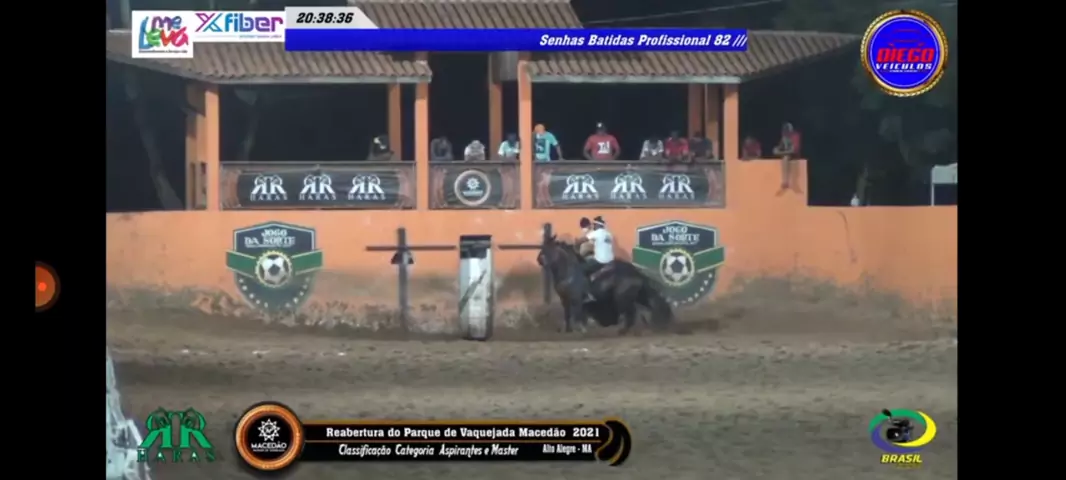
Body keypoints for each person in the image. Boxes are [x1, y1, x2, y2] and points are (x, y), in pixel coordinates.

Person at [575, 216, 615, 302]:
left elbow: (581, 240)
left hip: (600, 261)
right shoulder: (609, 234)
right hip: (611, 260)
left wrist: (576, 244)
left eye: (594, 225)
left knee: (580, 269)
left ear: (597, 225)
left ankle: (588, 294)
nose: (593, 226)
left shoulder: (596, 233)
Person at [772, 122, 802, 189]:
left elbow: (793, 150)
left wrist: (781, 152)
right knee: (782, 155)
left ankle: (786, 181)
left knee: (785, 158)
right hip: (787, 154)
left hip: (794, 155)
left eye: (786, 131)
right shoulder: (784, 137)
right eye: (784, 131)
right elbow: (780, 147)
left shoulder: (795, 136)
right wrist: (777, 149)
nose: (785, 133)